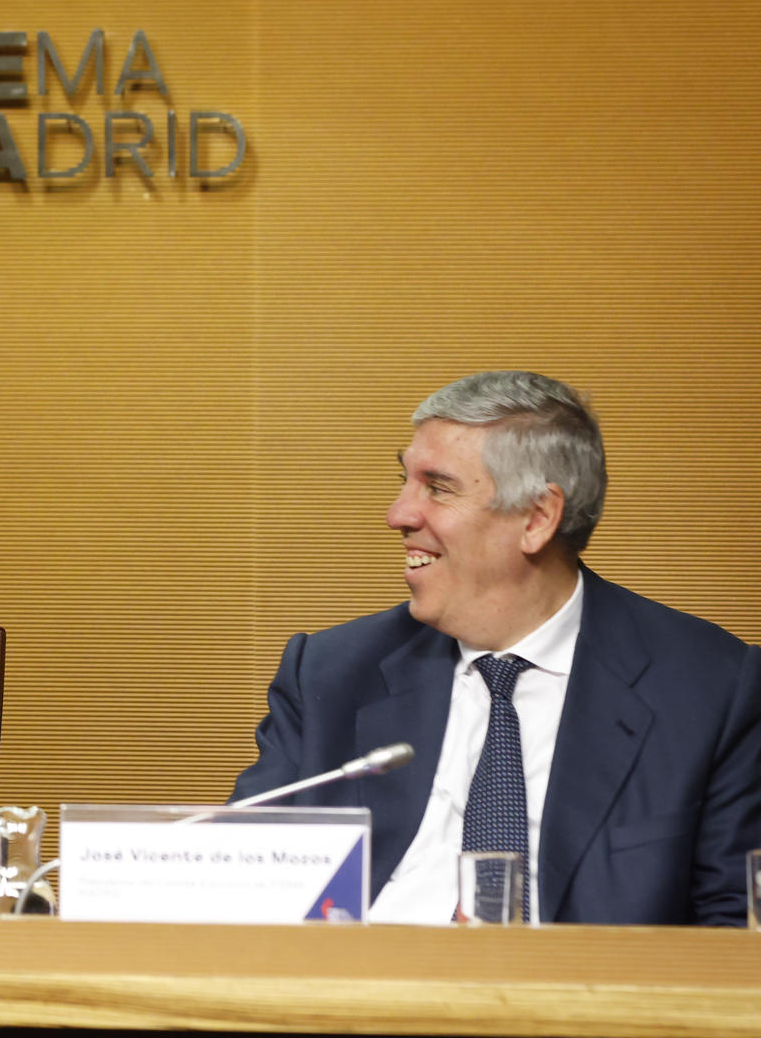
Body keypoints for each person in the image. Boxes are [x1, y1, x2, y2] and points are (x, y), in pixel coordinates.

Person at [234, 371, 761, 925]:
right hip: (349, 993)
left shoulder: (711, 688)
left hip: (573, 1001)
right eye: (405, 481)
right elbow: (236, 880)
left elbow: (732, 928)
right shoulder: (331, 673)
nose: (399, 515)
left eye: (437, 488)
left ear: (536, 519)